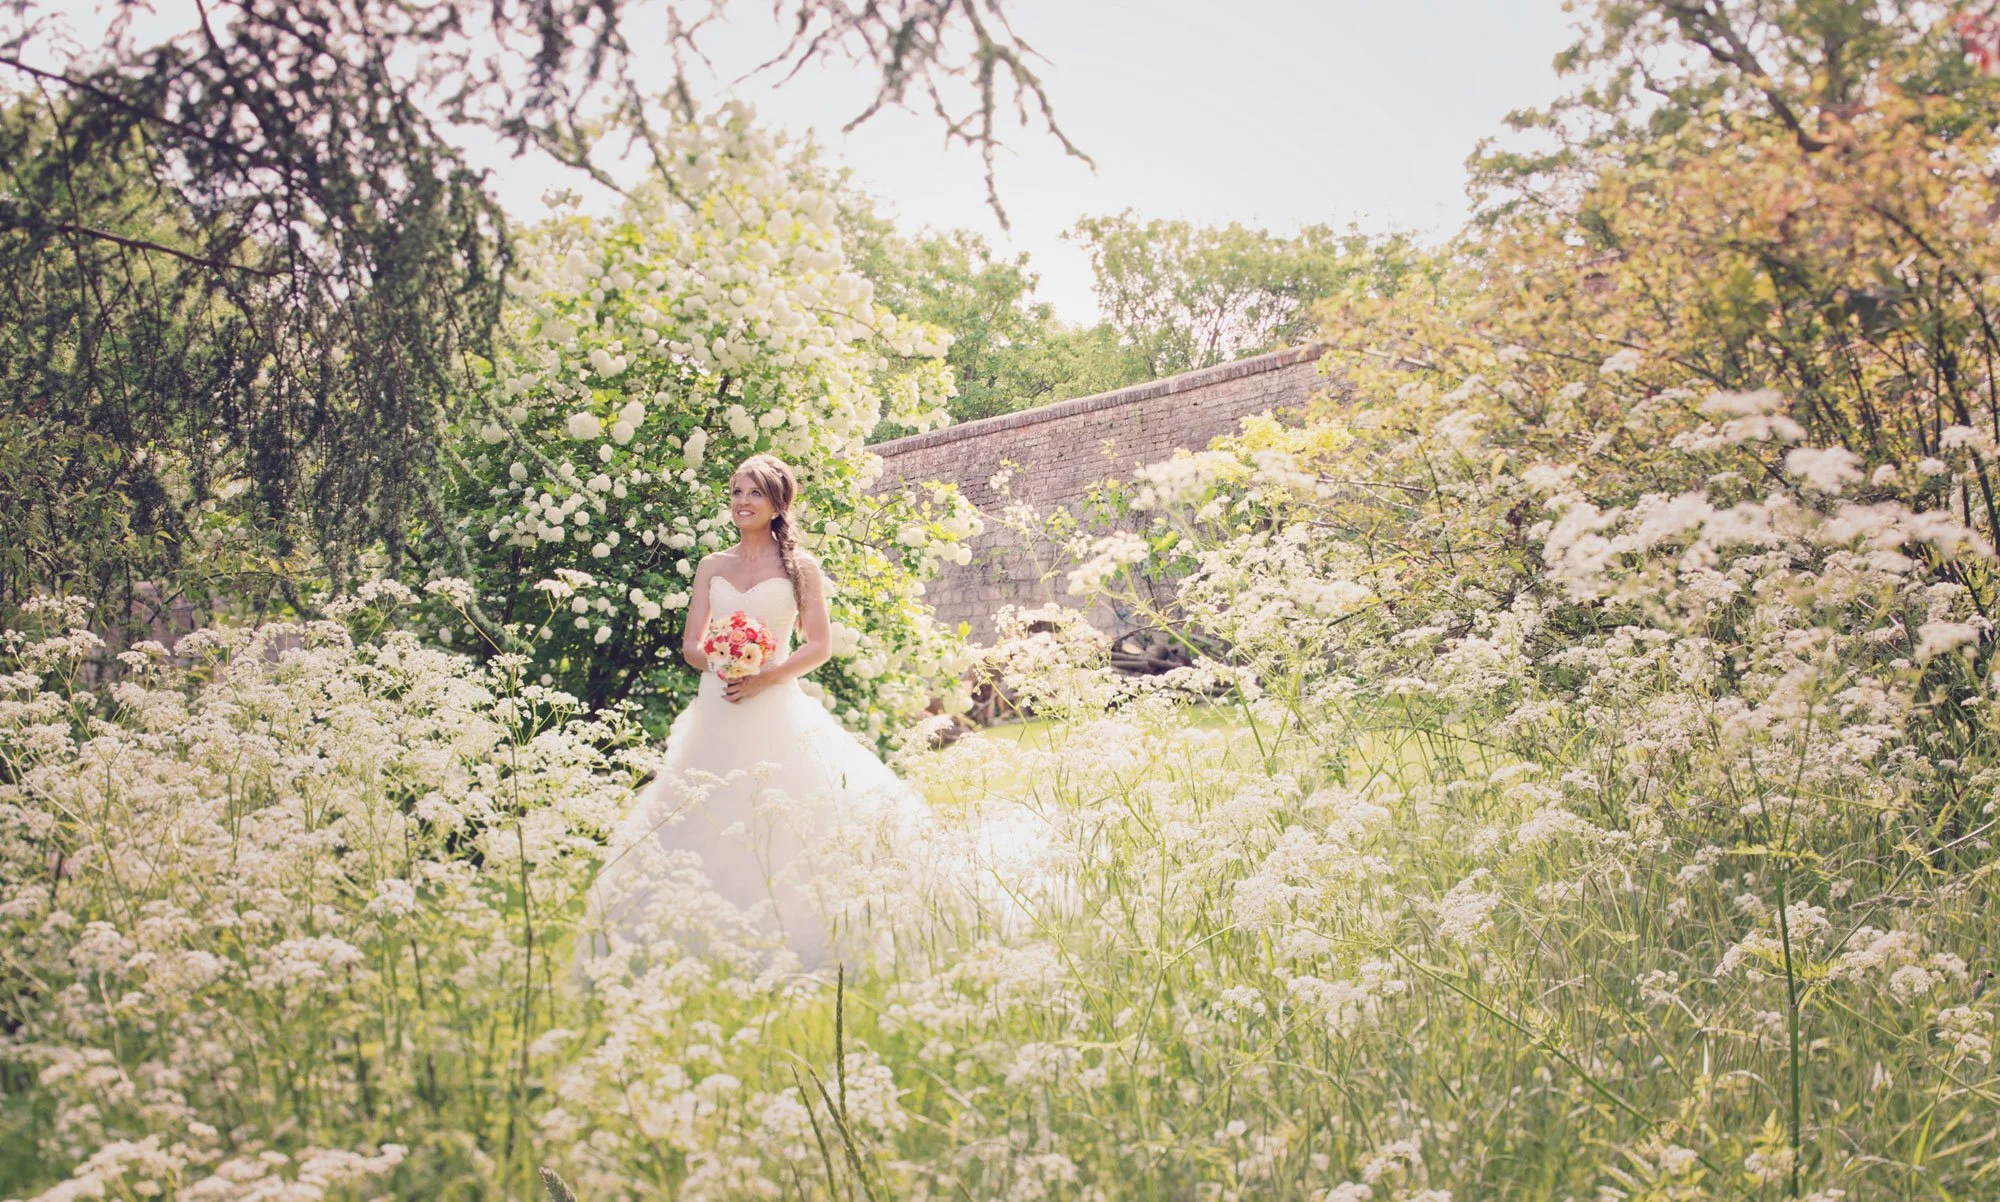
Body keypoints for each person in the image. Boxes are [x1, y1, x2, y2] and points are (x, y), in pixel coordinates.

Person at [586, 453, 935, 977]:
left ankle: (798, 938)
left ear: (776, 504)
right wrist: (720, 663)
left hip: (773, 702)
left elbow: (819, 646)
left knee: (780, 812)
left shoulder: (800, 568)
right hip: (717, 706)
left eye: (752, 493)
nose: (741, 502)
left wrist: (766, 675)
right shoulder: (712, 566)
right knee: (704, 810)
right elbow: (690, 645)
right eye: (735, 492)